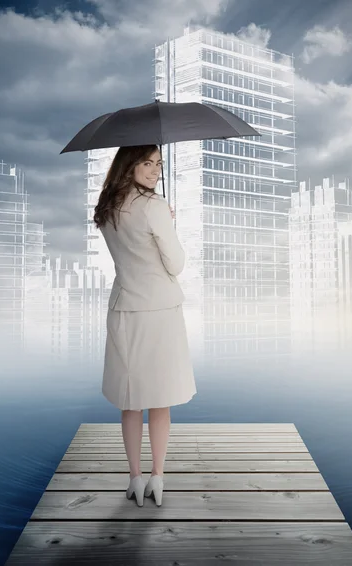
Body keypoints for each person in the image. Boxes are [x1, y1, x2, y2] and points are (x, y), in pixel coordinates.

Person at [94, 144, 197, 507]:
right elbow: (176, 264)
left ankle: (135, 477)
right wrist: (169, 222)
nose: (155, 171)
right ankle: (158, 476)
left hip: (124, 307)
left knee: (131, 397)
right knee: (161, 397)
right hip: (160, 310)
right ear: (129, 164)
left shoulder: (106, 209)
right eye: (147, 163)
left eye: (158, 164)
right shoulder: (154, 207)